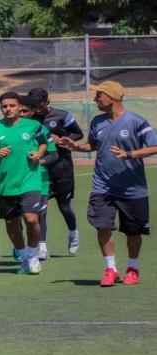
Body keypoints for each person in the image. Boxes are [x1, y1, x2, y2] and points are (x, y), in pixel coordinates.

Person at [56, 81, 157, 286]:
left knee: (133, 231)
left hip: (132, 188)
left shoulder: (136, 121)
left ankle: (132, 268)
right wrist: (75, 146)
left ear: (111, 97)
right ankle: (110, 269)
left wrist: (129, 154)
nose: (95, 100)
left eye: (98, 95)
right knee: (102, 226)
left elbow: (154, 146)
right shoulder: (97, 121)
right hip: (102, 186)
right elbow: (92, 146)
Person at [0, 92, 50, 275]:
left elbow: (44, 143)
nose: (8, 109)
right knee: (11, 223)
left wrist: (39, 153)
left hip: (30, 180)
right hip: (6, 183)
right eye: (4, 106)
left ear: (19, 107)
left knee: (31, 218)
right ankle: (24, 256)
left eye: (12, 105)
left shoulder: (33, 125)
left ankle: (33, 255)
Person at [28, 88, 83, 257]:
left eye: (40, 105)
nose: (37, 110)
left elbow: (78, 133)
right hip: (41, 169)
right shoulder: (30, 119)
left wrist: (65, 140)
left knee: (64, 207)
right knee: (41, 209)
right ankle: (42, 248)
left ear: (47, 101)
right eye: (34, 106)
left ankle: (73, 233)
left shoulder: (62, 115)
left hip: (62, 167)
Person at [19, 95, 58, 262]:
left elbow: (53, 155)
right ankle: (20, 246)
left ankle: (42, 248)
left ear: (33, 111)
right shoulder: (7, 129)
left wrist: (39, 160)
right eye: (19, 110)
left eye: (25, 111)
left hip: (39, 180)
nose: (21, 114)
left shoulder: (39, 129)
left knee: (38, 215)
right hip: (13, 181)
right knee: (16, 216)